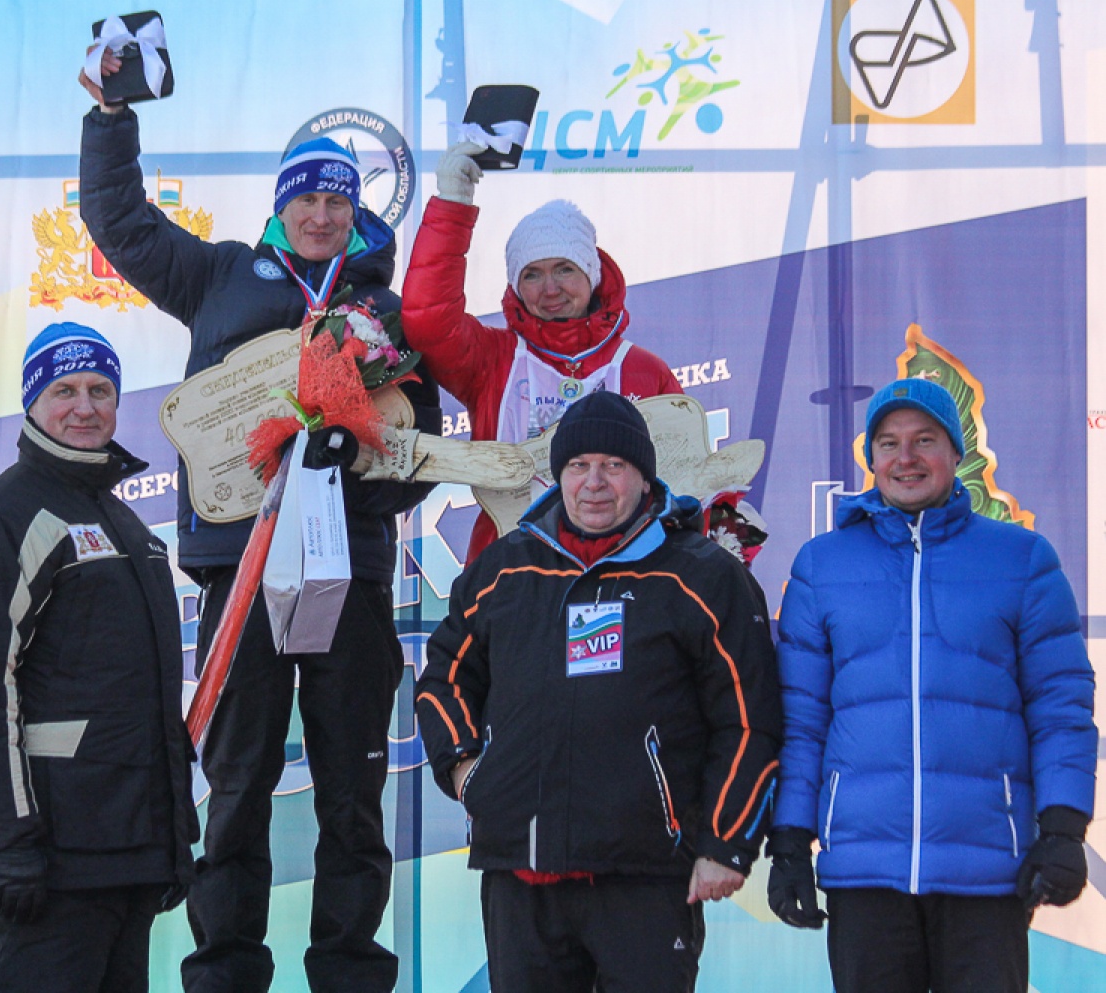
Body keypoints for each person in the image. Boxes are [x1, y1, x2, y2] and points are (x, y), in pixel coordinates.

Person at [77, 50, 442, 993]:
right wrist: (112, 119)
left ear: (358, 212)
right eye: (306, 199)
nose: (321, 216)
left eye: (337, 202)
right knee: (237, 784)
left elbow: (419, 449)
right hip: (240, 567)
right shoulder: (218, 276)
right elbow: (121, 223)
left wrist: (355, 471)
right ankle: (224, 971)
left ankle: (349, 971)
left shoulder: (381, 308)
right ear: (281, 205)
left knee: (354, 787)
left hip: (349, 572)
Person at [415, 392, 782, 992]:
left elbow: (748, 716)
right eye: (578, 465)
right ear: (558, 475)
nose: (594, 483)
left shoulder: (702, 575)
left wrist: (726, 842)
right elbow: (444, 674)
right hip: (521, 874)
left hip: (646, 875)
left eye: (614, 465)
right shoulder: (503, 568)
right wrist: (465, 771)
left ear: (644, 476)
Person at [767, 378, 1097, 993]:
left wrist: (1062, 829)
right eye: (888, 443)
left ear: (954, 453)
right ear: (871, 457)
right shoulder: (823, 564)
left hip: (986, 870)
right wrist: (788, 842)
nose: (906, 458)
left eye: (925, 440)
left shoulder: (1022, 559)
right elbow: (802, 720)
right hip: (864, 872)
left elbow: (1060, 707)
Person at [0, 322, 198, 993]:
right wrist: (12, 841)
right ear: (32, 402)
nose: (85, 407)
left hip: (131, 853)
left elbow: (143, 695)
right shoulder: (8, 512)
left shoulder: (124, 519)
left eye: (100, 390)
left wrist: (173, 834)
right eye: (65, 390)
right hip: (54, 860)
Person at [401, 140, 683, 562]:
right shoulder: (491, 359)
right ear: (516, 285)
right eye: (532, 274)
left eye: (564, 269)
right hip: (509, 567)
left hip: (623, 572)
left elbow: (684, 473)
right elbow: (428, 320)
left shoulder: (644, 370)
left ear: (591, 273)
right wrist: (453, 205)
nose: (550, 289)